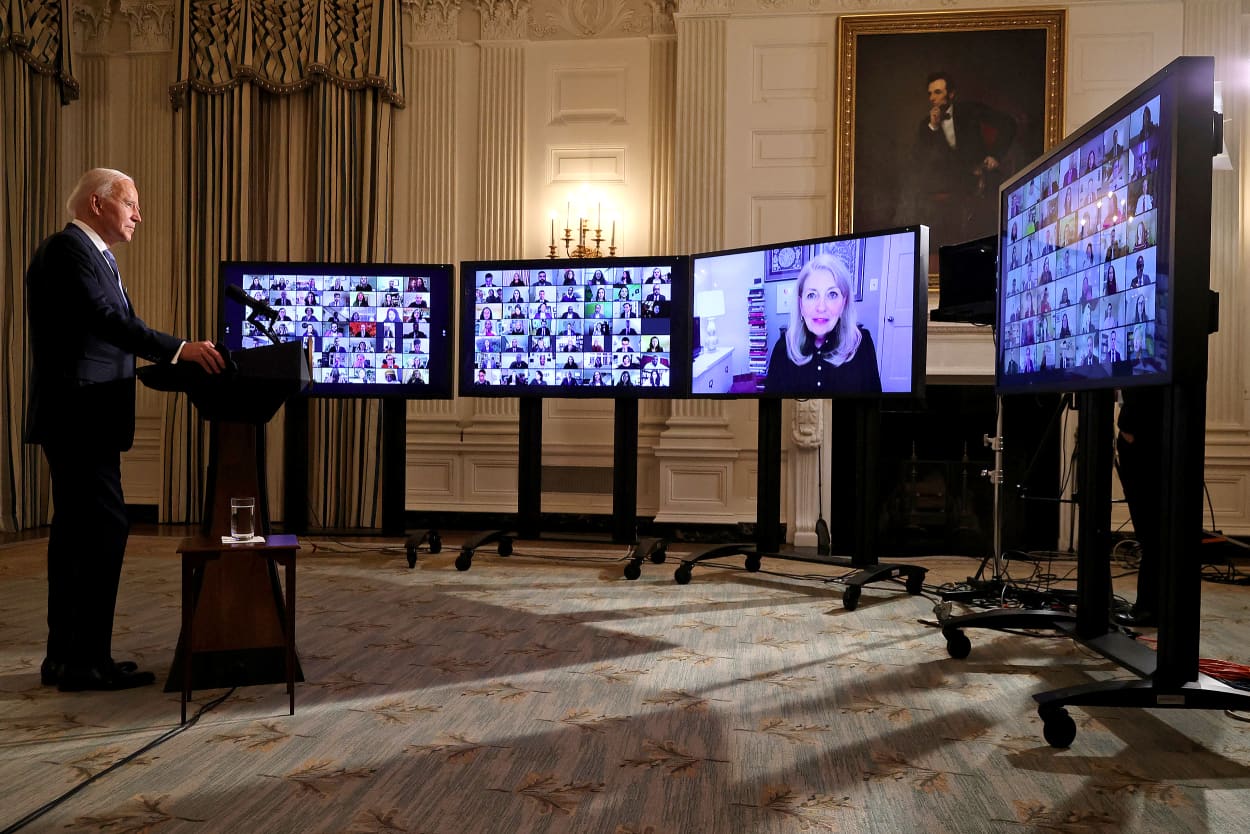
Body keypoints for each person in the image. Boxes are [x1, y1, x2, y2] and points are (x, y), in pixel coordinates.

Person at [24, 169, 225, 691]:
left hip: (84, 418)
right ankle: (86, 663)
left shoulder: (95, 257)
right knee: (100, 532)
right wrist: (179, 349)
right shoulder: (67, 250)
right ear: (98, 203)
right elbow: (105, 321)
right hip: (79, 418)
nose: (139, 214)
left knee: (75, 536)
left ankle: (66, 659)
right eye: (130, 203)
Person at [908, 71, 1017, 246]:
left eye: (938, 92)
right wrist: (934, 127)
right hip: (950, 185)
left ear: (951, 94)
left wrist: (995, 155)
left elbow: (1008, 123)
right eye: (930, 93)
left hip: (981, 178)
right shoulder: (926, 125)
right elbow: (923, 160)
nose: (932, 98)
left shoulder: (970, 110)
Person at [763, 254, 881, 394]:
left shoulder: (861, 343)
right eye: (811, 295)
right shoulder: (783, 347)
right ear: (801, 304)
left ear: (843, 303)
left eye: (832, 294)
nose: (821, 307)